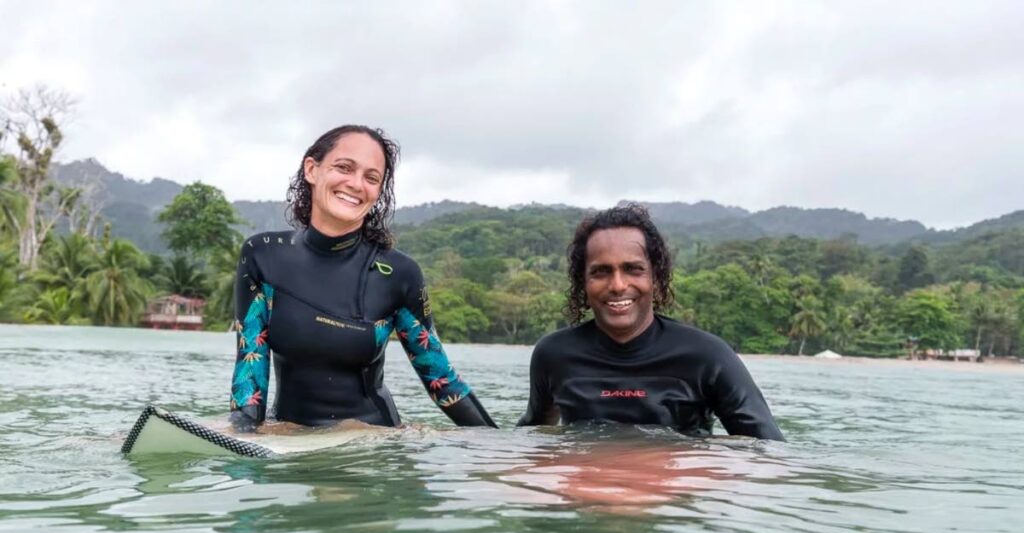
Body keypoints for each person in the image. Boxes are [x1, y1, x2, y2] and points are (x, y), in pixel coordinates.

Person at [229, 125, 496, 432]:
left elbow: (442, 381)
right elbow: (250, 368)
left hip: (370, 444)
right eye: (344, 168)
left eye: (371, 178)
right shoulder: (263, 255)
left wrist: (500, 451)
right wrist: (242, 433)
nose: (356, 184)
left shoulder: (398, 274)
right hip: (290, 439)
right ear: (312, 170)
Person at [517, 203, 784, 440]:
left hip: (668, 496)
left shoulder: (707, 356)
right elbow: (532, 437)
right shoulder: (554, 355)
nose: (618, 285)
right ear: (582, 282)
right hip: (586, 494)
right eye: (601, 272)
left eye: (633, 269)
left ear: (655, 278)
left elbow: (769, 452)